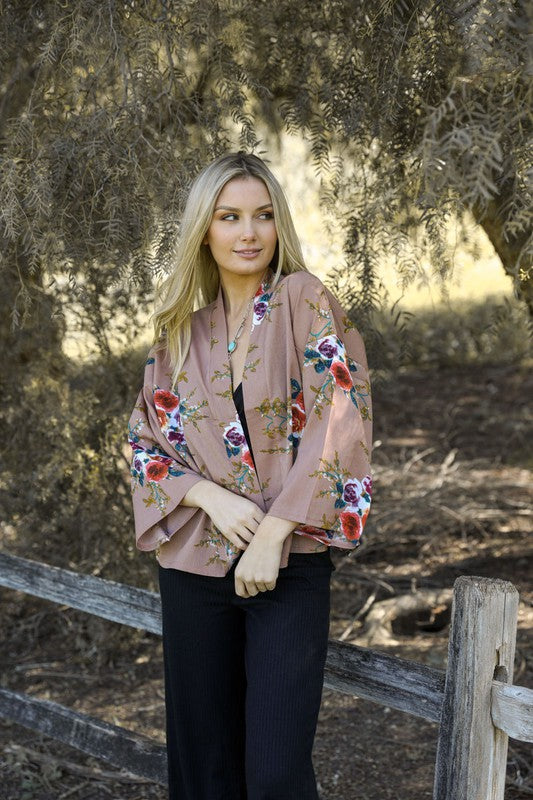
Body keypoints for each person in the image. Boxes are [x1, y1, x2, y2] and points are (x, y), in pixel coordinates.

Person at [127, 151, 373, 800]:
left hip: (287, 568)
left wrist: (272, 535)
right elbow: (144, 444)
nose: (248, 233)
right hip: (194, 569)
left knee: (274, 775)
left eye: (263, 216)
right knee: (202, 769)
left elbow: (338, 418)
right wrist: (206, 496)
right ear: (203, 231)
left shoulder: (301, 299)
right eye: (229, 216)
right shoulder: (182, 332)